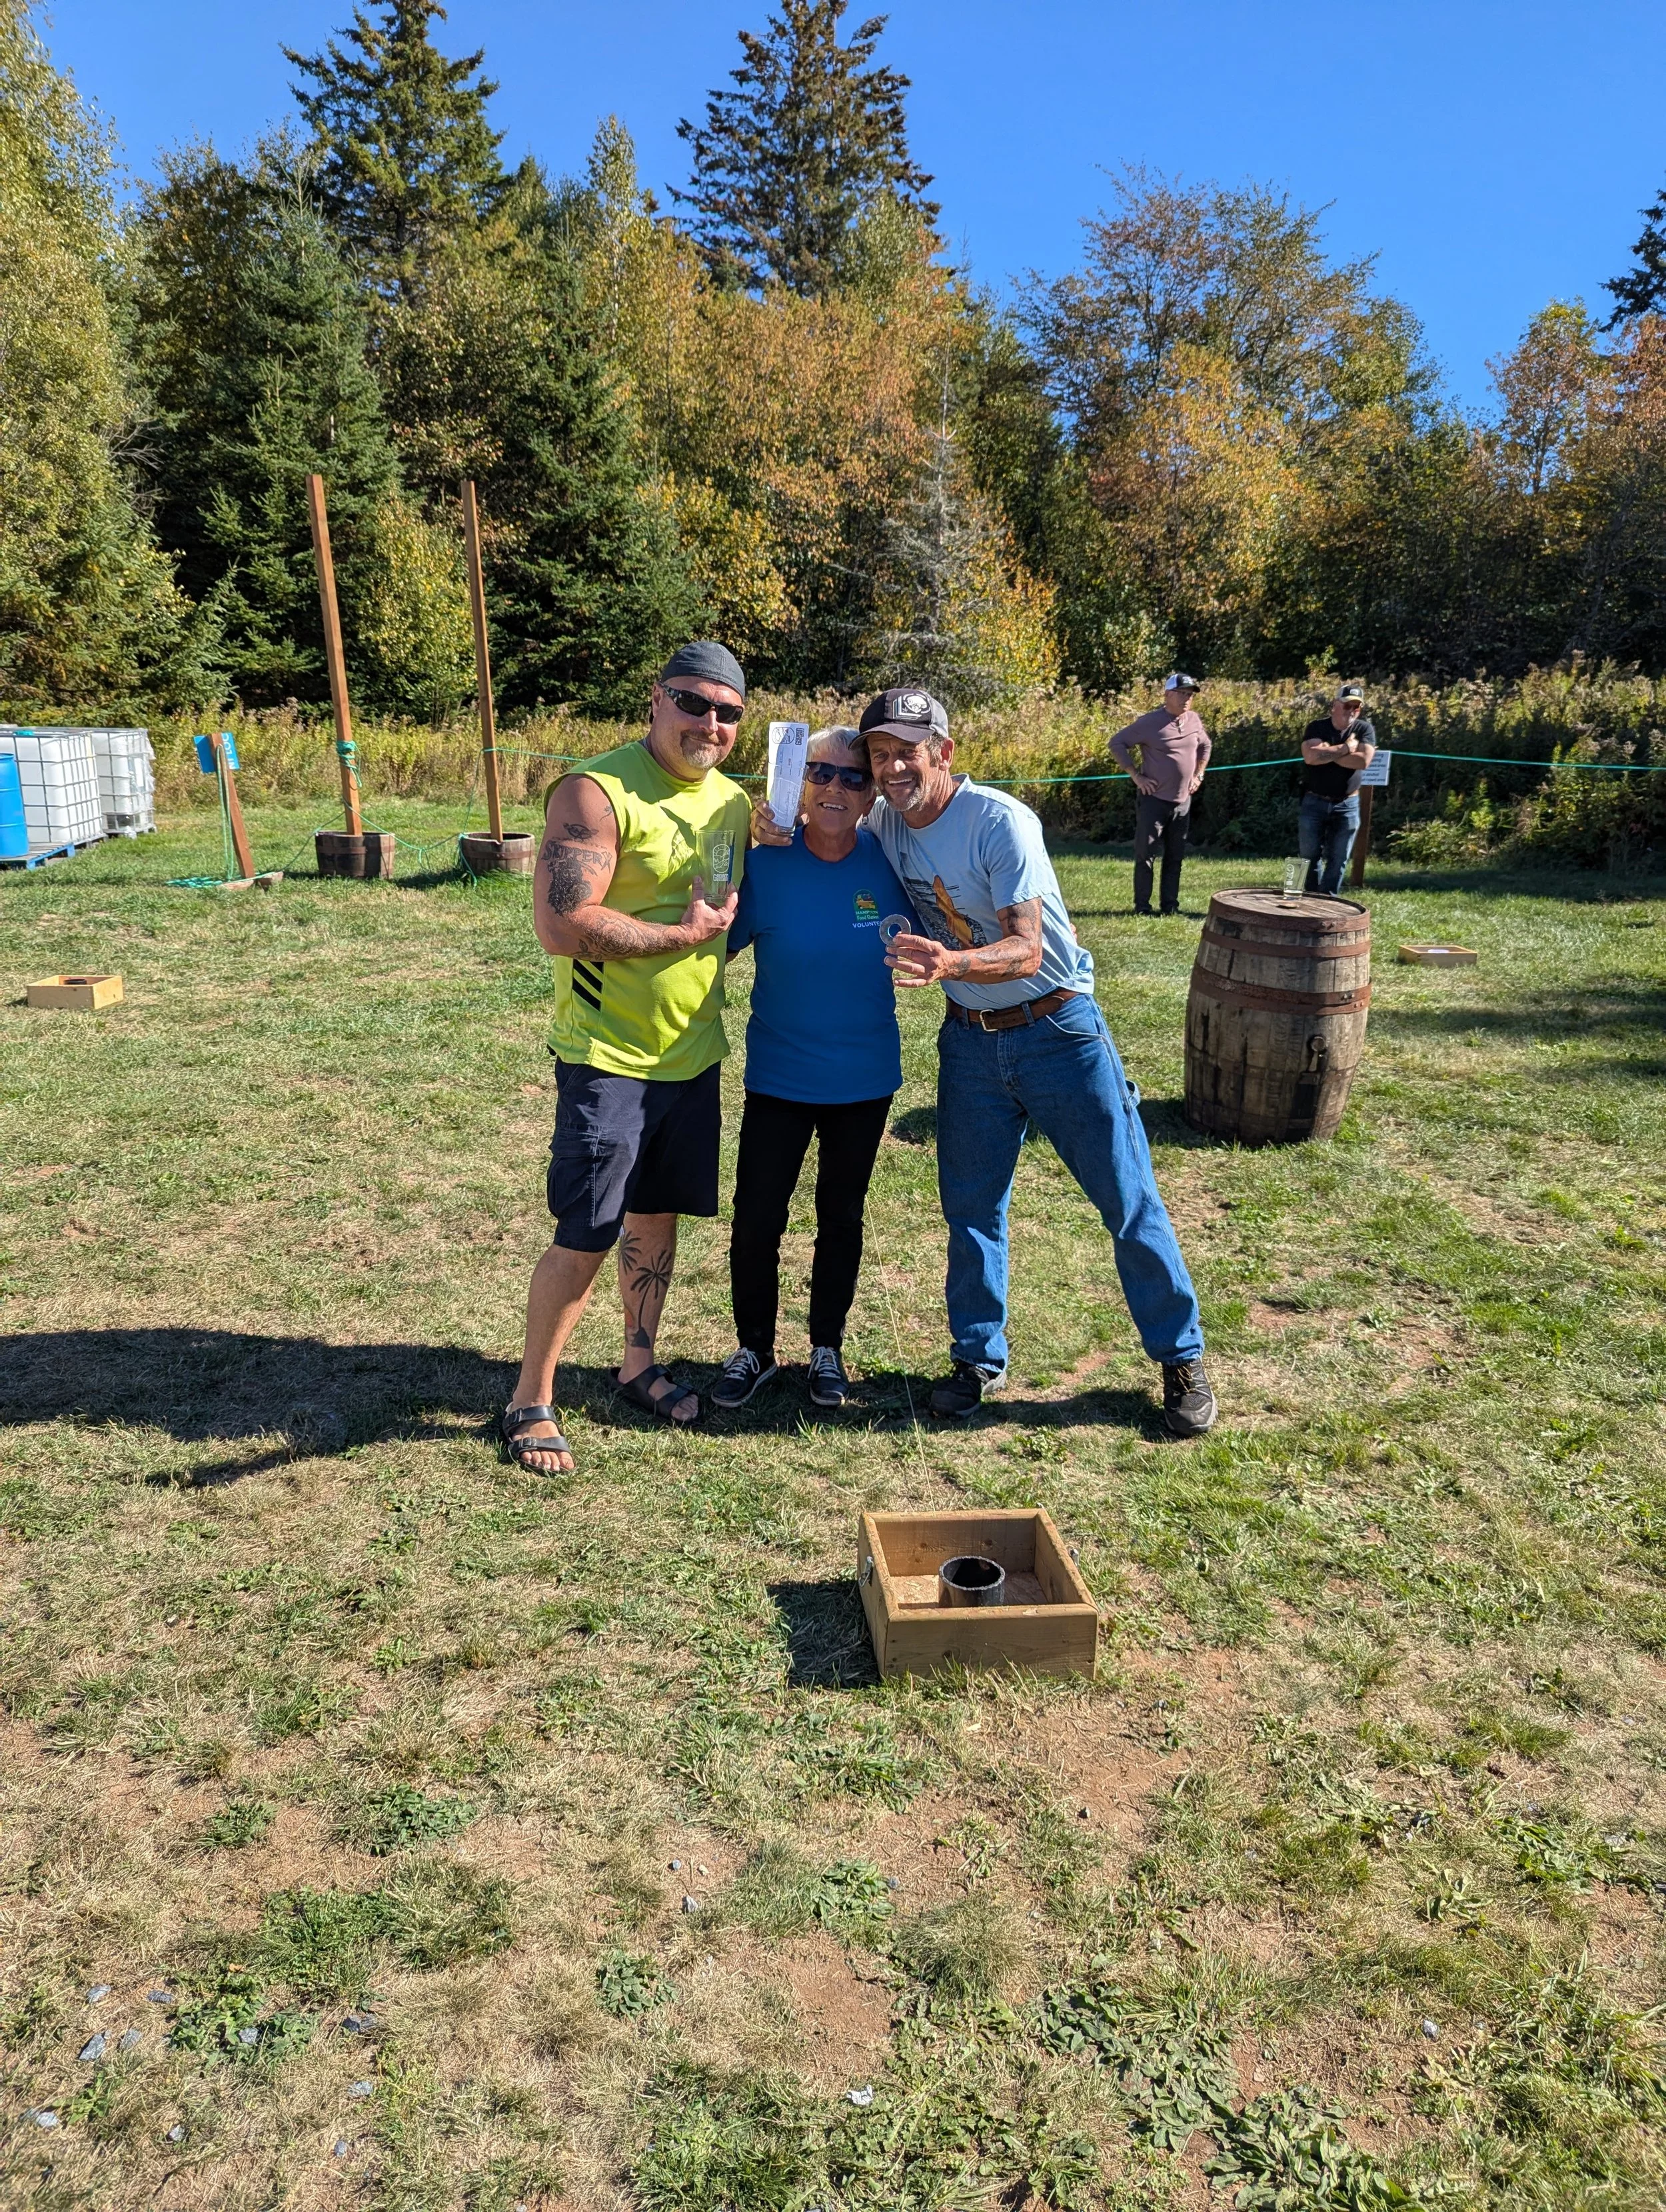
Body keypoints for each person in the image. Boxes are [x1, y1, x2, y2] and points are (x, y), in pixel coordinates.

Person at [752, 686, 1217, 1438]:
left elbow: (1027, 947)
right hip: (969, 1038)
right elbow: (820, 814)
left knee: (1126, 1198)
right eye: (879, 755)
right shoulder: (889, 823)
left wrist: (947, 960)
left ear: (944, 752)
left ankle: (1180, 1355)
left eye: (907, 750)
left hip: (1057, 1028)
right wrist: (767, 820)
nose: (892, 767)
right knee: (971, 1210)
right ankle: (976, 1358)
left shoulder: (1000, 820)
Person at [498, 642, 754, 1476]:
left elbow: (729, 902)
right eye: (693, 702)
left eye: (727, 711)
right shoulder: (595, 790)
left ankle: (637, 1363)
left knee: (655, 1217)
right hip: (608, 1056)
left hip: (693, 1050)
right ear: (656, 700)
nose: (708, 723)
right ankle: (530, 1398)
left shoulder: (733, 804)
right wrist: (677, 937)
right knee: (589, 1229)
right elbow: (562, 924)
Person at [710, 728, 916, 1413]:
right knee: (757, 1218)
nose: (835, 788)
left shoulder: (891, 858)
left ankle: (826, 1347)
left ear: (871, 793)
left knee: (841, 1216)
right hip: (778, 1075)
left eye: (853, 777)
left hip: (863, 1078)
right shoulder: (765, 861)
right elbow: (712, 946)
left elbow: (942, 928)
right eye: (821, 772)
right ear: (799, 779)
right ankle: (754, 1348)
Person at [1109, 672, 1212, 915]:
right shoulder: (1150, 722)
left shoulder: (1194, 720)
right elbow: (1117, 743)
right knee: (1146, 855)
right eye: (1182, 693)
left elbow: (1205, 745)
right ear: (1167, 695)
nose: (1187, 699)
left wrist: (1199, 775)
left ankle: (1170, 906)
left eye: (1190, 695)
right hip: (1154, 800)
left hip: (1182, 802)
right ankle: (1143, 907)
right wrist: (1136, 776)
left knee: (1175, 857)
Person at [1299, 685, 1377, 895]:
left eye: (1356, 707)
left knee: (1339, 857)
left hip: (1347, 804)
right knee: (1309, 854)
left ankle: (1328, 900)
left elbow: (1363, 761)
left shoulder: (1364, 729)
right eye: (1347, 705)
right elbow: (1311, 758)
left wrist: (1328, 752)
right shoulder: (1317, 727)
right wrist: (1346, 748)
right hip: (1314, 801)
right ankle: (1310, 896)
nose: (1351, 710)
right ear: (1334, 705)